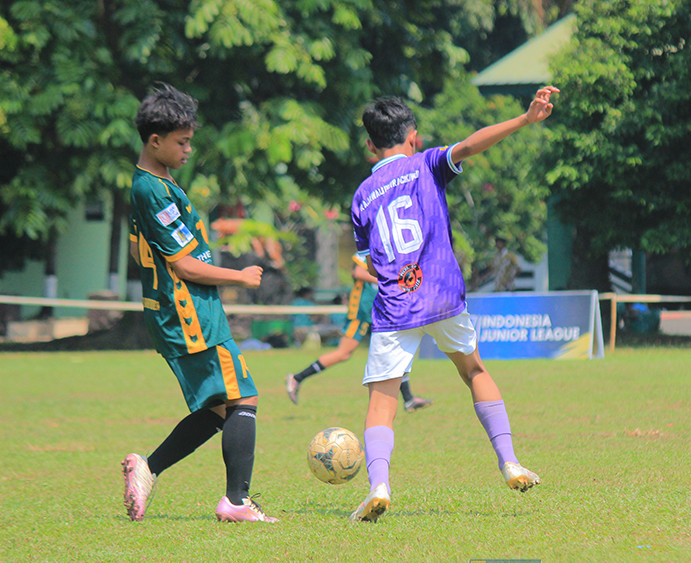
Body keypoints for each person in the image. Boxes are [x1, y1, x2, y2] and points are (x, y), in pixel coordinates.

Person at [346, 87, 557, 522]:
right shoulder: (425, 163)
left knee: (382, 401)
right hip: (441, 292)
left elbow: (366, 262)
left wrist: (391, 276)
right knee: (474, 371)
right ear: (414, 137)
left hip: (395, 305)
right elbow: (470, 145)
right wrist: (523, 119)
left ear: (370, 146)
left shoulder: (362, 195)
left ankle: (379, 485)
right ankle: (510, 461)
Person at [121, 83, 276, 523]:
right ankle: (236, 502)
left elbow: (142, 252)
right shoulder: (151, 189)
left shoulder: (160, 183)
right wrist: (239, 276)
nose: (189, 149)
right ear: (155, 141)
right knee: (244, 398)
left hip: (193, 310)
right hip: (189, 314)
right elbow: (185, 266)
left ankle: (148, 469)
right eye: (182, 141)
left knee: (217, 409)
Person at [284, 253, 432, 411]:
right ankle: (297, 378)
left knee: (394, 350)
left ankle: (408, 399)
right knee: (343, 353)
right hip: (360, 311)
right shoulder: (368, 246)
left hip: (379, 310)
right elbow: (358, 272)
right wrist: (390, 282)